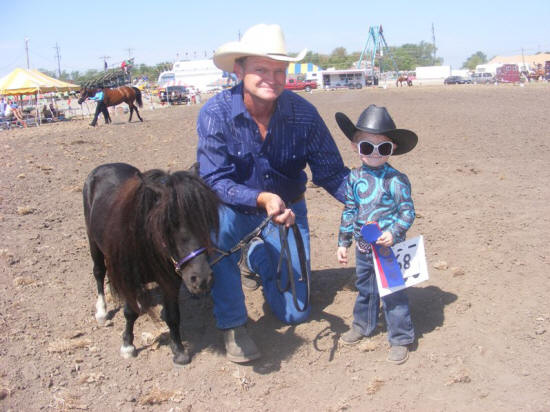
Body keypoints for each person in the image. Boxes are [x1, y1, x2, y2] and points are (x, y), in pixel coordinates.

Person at [196, 23, 349, 363]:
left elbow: (332, 172)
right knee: (218, 243)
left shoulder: (303, 114)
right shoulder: (215, 114)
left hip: (287, 211)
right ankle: (233, 324)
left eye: (279, 70)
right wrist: (261, 198)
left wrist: (368, 200)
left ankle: (254, 256)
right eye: (261, 70)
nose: (272, 78)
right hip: (233, 210)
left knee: (295, 312)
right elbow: (214, 179)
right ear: (239, 71)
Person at [335, 104, 418, 365]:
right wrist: (343, 242)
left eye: (382, 148)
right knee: (365, 287)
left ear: (392, 149)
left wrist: (394, 232)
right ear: (355, 147)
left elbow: (407, 211)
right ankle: (363, 324)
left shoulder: (396, 179)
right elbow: (350, 210)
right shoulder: (354, 177)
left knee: (393, 292)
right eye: (366, 146)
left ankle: (401, 337)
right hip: (363, 246)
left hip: (388, 249)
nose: (374, 153)